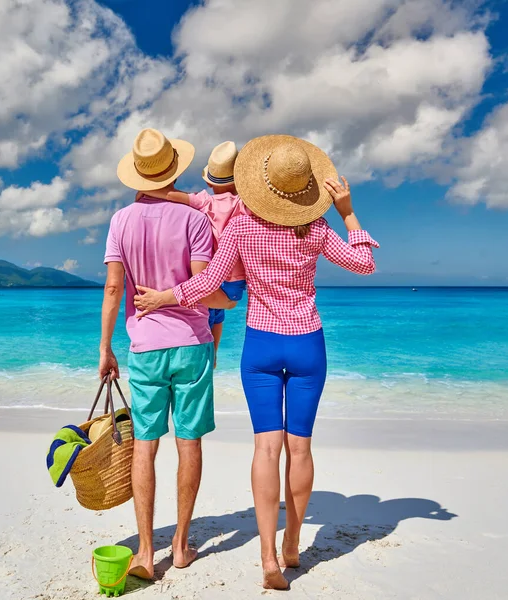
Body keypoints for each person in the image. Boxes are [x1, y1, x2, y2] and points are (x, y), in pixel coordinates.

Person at [132, 135, 379, 590]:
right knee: (300, 448)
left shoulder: (243, 229)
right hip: (307, 342)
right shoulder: (319, 229)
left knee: (267, 448)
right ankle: (292, 545)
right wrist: (347, 212)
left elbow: (209, 280)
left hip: (262, 345)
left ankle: (268, 559)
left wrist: (168, 296)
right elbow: (365, 264)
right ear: (305, 193)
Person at [98, 128, 235, 580]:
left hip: (145, 348)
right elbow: (203, 289)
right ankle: (179, 545)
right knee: (188, 442)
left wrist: (105, 347)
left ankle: (143, 552)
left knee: (145, 445)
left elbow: (115, 287)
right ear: (172, 171)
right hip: (193, 344)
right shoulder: (195, 221)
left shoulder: (120, 221)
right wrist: (229, 303)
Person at [143, 141, 248, 367]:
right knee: (221, 313)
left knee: (207, 312)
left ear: (210, 181)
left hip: (210, 275)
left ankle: (205, 350)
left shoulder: (205, 201)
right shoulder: (245, 204)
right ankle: (215, 353)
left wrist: (145, 190)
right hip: (237, 280)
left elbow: (173, 195)